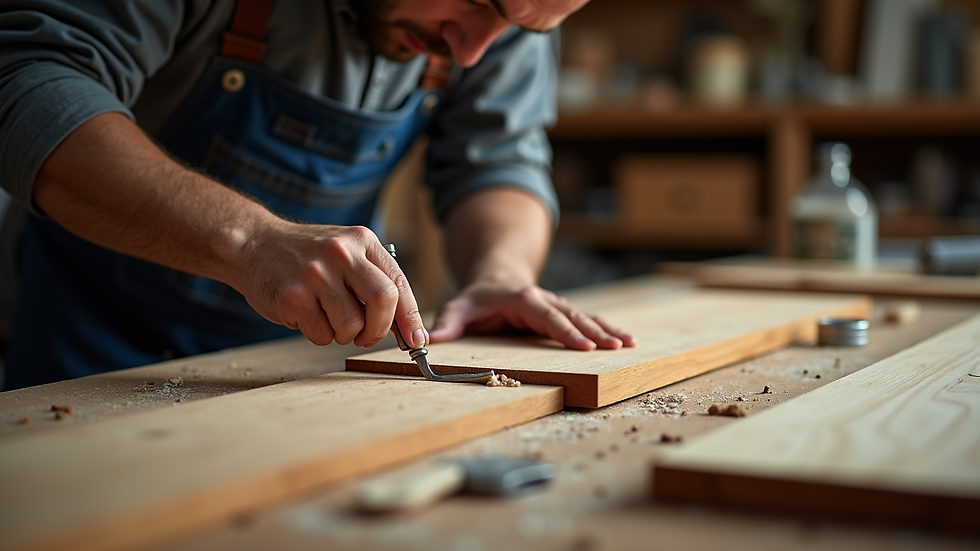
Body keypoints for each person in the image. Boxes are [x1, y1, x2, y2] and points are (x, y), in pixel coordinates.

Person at [0, 0, 635, 389]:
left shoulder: (494, 19)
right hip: (81, 356)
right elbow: (28, 84)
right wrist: (250, 242)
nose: (472, 51)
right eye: (475, 1)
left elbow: (498, 158)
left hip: (294, 372)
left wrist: (500, 272)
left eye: (520, 28)